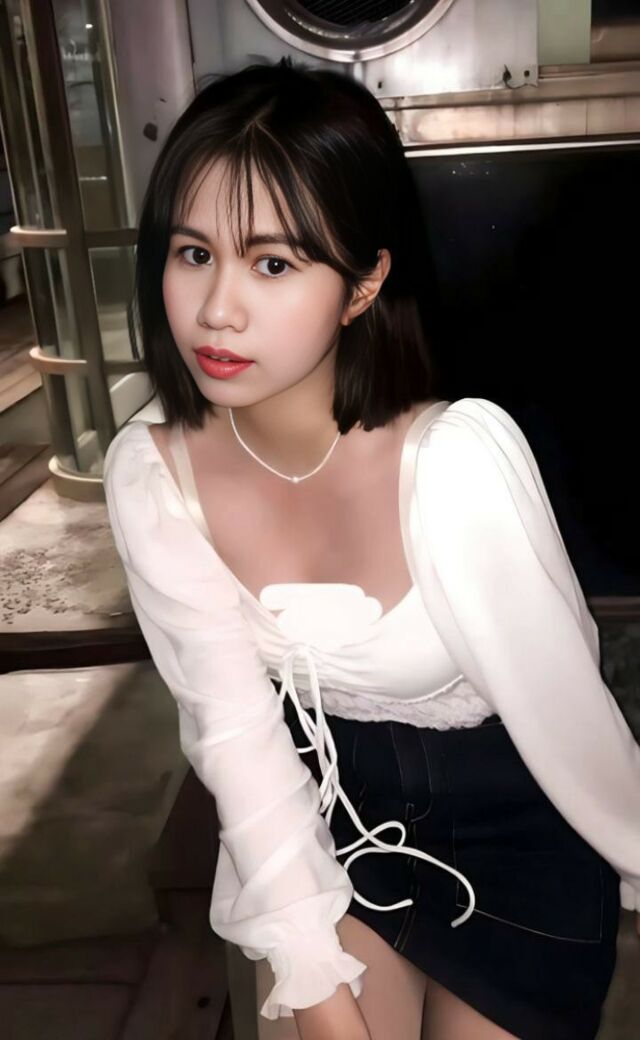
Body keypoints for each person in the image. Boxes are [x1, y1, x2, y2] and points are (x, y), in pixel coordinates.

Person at [102, 59, 640, 1040]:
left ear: (363, 285)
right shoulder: (152, 472)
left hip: (518, 830)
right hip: (328, 823)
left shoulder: (457, 462)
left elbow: (572, 715)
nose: (217, 308)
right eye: (192, 252)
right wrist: (316, 988)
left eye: (272, 263)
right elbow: (234, 735)